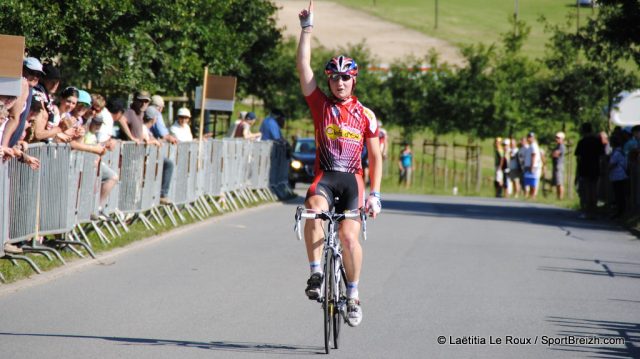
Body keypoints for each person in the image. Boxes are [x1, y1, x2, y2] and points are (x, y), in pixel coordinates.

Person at [297, 0, 382, 327]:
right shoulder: (320, 105)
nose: (340, 83)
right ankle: (316, 274)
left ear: (354, 81)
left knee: (348, 238)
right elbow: (304, 69)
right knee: (311, 208)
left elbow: (375, 157)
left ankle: (353, 294)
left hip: (353, 183)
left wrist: (375, 193)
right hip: (326, 177)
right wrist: (307, 31)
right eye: (334, 78)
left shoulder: (366, 115)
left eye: (346, 78)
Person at [575, 122, 605, 219]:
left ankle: (587, 211)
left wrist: (578, 170)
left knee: (587, 190)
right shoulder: (597, 141)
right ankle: (594, 211)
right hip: (595, 167)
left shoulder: (582, 142)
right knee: (594, 190)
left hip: (585, 168)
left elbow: (578, 157)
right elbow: (602, 155)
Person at [608, 134, 628, 219]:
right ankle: (620, 211)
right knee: (620, 194)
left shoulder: (616, 153)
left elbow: (611, 164)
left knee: (618, 194)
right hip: (621, 175)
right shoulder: (621, 151)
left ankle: (620, 211)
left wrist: (607, 168)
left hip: (618, 175)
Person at [523, 132, 542, 199]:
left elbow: (533, 156)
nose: (529, 138)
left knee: (533, 181)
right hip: (529, 165)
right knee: (529, 181)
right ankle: (530, 195)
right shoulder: (530, 145)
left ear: (533, 138)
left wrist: (532, 166)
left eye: (530, 137)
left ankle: (533, 195)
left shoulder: (534, 145)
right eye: (528, 137)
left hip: (533, 166)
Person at [551, 132, 567, 200]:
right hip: (556, 164)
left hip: (559, 165)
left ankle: (560, 197)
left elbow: (555, 154)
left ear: (562, 139)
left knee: (560, 182)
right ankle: (558, 197)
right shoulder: (557, 146)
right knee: (557, 182)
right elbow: (553, 154)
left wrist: (554, 153)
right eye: (556, 137)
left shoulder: (561, 146)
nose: (556, 139)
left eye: (558, 138)